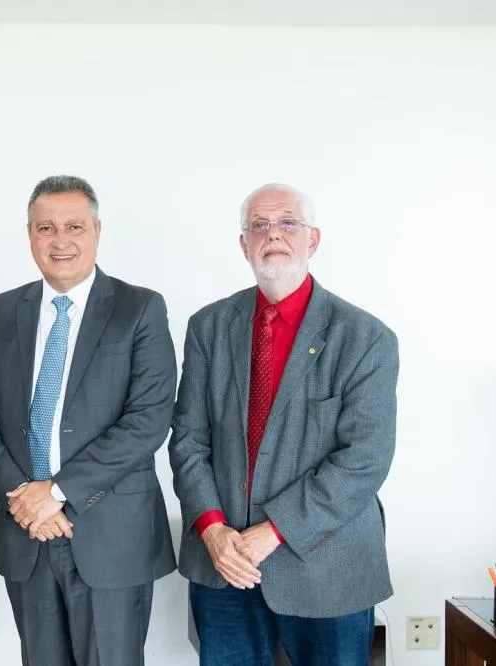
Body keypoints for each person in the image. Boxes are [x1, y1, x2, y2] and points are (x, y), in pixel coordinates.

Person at [169, 183, 399, 666]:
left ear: (312, 240)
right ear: (244, 245)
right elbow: (189, 440)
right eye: (259, 225)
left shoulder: (365, 338)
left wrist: (272, 531)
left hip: (326, 570)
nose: (273, 234)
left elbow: (364, 459)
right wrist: (212, 529)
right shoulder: (208, 327)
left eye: (287, 223)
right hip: (224, 566)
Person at [0, 175, 177, 666]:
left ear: (97, 231)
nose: (60, 241)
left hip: (111, 535)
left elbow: (147, 420)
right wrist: (21, 496)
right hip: (27, 534)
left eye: (74, 226)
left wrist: (54, 493)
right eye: (45, 228)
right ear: (30, 235)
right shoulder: (1, 312)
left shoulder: (139, 308)